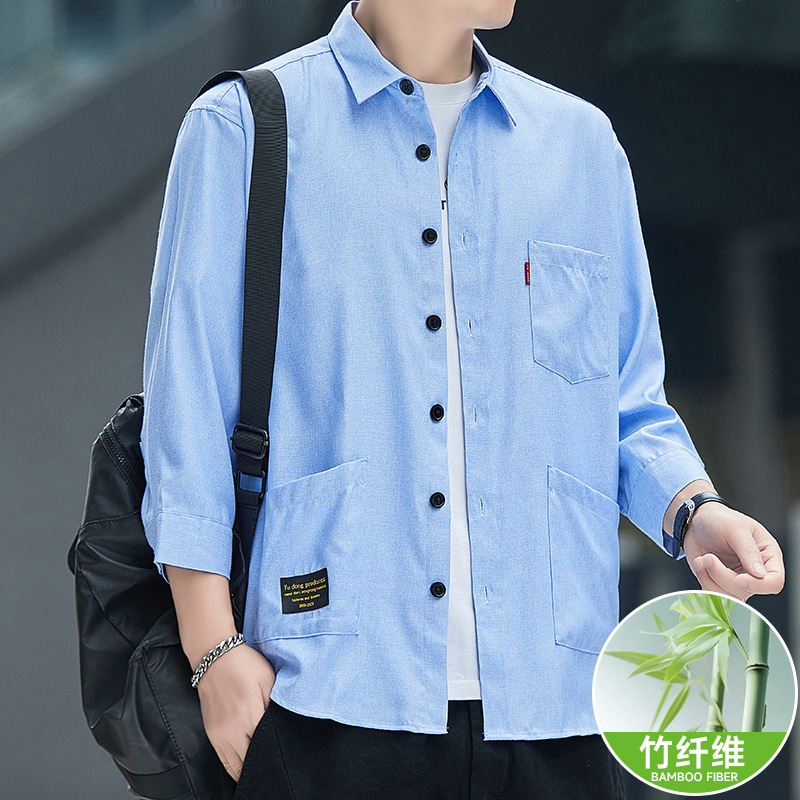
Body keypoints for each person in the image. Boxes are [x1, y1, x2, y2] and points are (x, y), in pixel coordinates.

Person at [139, 1, 785, 798]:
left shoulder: (580, 145)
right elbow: (187, 404)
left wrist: (692, 510)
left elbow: (621, 401)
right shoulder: (244, 126)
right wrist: (212, 651)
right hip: (325, 688)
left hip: (558, 701)